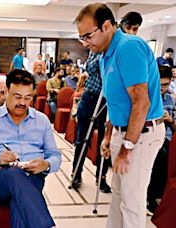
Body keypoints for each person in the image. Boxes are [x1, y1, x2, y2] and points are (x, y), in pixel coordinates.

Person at [75, 3, 165, 228]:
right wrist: (108, 135)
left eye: (88, 36)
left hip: (140, 136)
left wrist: (126, 149)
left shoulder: (128, 47)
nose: (86, 43)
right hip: (122, 132)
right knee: (118, 195)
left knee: (132, 202)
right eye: (82, 38)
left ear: (106, 26)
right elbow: (115, 103)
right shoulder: (105, 55)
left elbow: (141, 102)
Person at [0, 69, 61, 228]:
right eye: (17, 97)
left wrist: (45, 165)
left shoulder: (42, 121)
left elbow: (54, 155)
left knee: (20, 201)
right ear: (6, 92)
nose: (22, 103)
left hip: (32, 176)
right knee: (14, 173)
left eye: (28, 98)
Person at [70, 51, 111, 193]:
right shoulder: (97, 49)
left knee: (104, 140)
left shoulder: (118, 48)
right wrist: (103, 58)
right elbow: (90, 67)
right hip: (90, 97)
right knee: (82, 139)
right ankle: (76, 174)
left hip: (108, 99)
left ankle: (102, 177)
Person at [146, 66, 176, 214]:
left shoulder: (171, 99)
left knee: (168, 151)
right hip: (149, 137)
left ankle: (162, 195)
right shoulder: (145, 97)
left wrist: (170, 120)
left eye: (165, 85)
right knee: (162, 154)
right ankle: (153, 196)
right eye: (159, 84)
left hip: (167, 137)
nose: (162, 88)